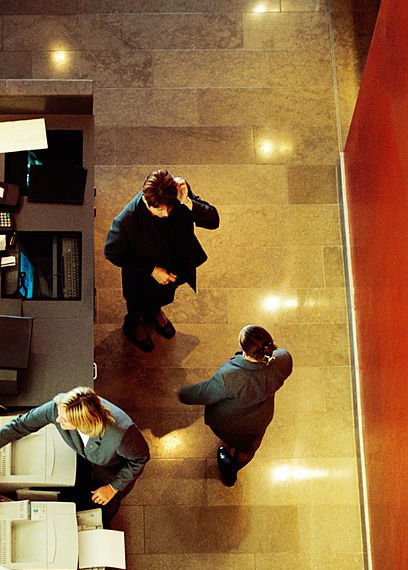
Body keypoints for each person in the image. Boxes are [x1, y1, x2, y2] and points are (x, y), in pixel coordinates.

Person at [0, 387, 149, 525]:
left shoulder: (122, 434)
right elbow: (20, 425)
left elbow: (140, 458)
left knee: (102, 509)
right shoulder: (60, 405)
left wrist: (113, 487)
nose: (56, 419)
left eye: (63, 420)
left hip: (110, 474)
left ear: (84, 423)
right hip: (83, 459)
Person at [104, 168, 219, 352]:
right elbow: (112, 253)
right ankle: (133, 324)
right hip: (142, 276)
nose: (166, 213)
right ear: (146, 201)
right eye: (159, 209)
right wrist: (151, 269)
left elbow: (214, 221)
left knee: (163, 295)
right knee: (137, 303)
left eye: (170, 207)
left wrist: (188, 202)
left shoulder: (179, 193)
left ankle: (154, 312)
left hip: (174, 263)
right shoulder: (126, 221)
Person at [178, 325, 293, 487]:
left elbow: (203, 394)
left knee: (237, 440)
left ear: (245, 351)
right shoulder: (284, 358)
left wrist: (181, 393)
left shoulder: (230, 376)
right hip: (260, 419)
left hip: (233, 422)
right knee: (248, 448)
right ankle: (231, 472)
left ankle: (229, 469)